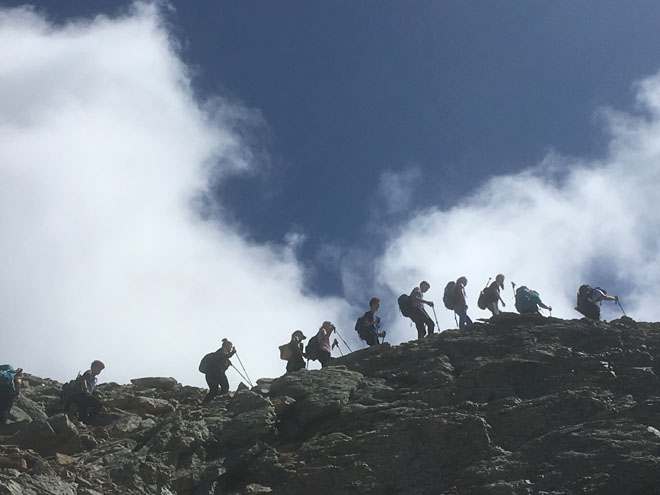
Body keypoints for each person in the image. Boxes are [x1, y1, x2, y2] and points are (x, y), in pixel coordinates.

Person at [202, 339, 236, 403]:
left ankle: (205, 403)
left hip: (210, 374)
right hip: (218, 373)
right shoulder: (223, 350)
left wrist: (227, 362)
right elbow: (223, 357)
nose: (231, 349)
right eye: (230, 347)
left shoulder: (219, 353)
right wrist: (233, 353)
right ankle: (219, 401)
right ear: (227, 346)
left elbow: (221, 359)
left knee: (213, 390)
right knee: (225, 387)